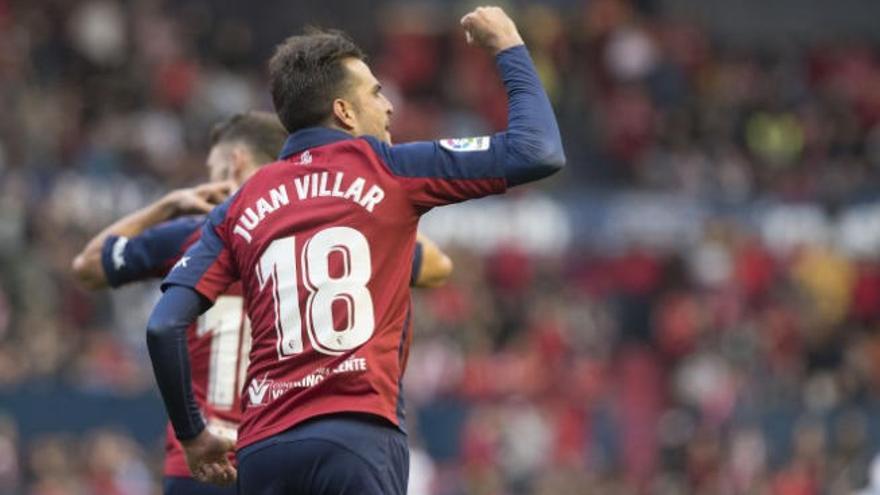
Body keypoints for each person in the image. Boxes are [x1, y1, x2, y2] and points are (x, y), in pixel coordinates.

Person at [146, 5, 564, 494]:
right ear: (343, 111)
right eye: (375, 92)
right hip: (357, 436)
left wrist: (194, 435)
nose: (388, 107)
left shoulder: (240, 205)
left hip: (262, 451)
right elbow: (538, 150)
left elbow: (163, 324)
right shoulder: (390, 169)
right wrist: (509, 46)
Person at [71, 112, 453, 495]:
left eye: (214, 168)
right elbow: (438, 266)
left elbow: (88, 266)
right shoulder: (324, 231)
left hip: (203, 461)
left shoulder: (196, 239)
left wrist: (169, 205)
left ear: (234, 161)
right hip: (287, 441)